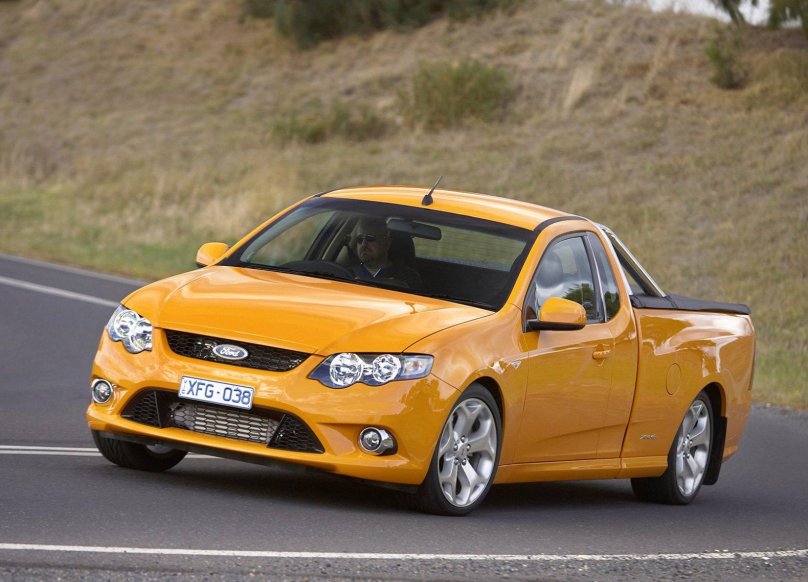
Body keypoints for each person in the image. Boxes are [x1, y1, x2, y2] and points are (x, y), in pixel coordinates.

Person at [351, 217, 422, 290]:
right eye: (359, 239)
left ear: (387, 243)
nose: (363, 244)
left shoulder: (407, 279)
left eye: (370, 238)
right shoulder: (347, 274)